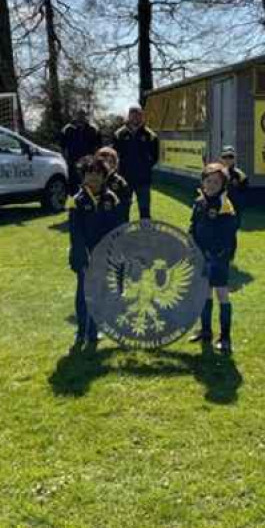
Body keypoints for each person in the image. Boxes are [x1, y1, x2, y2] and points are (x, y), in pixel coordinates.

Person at [67, 155, 121, 349]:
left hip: (104, 255)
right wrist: (81, 255)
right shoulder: (77, 201)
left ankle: (93, 331)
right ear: (83, 176)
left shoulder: (111, 198)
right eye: (89, 174)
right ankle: (81, 331)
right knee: (83, 292)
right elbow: (76, 232)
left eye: (98, 174)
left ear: (104, 176)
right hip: (84, 255)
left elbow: (116, 228)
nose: (93, 179)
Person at [188, 163, 239, 354]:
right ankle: (206, 330)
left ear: (223, 184)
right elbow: (193, 225)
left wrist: (217, 254)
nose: (211, 185)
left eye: (216, 182)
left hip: (217, 257)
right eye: (208, 181)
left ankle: (225, 337)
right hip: (201, 255)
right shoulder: (200, 201)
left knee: (221, 294)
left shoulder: (224, 205)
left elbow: (228, 235)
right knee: (204, 292)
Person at [112, 105, 160, 220]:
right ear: (129, 116)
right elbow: (114, 155)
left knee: (144, 210)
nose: (135, 117)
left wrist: (144, 166)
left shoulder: (150, 135)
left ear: (142, 117)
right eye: (133, 114)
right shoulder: (119, 134)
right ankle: (123, 234)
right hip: (124, 178)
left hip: (143, 179)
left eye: (138, 115)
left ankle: (144, 234)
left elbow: (155, 156)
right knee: (123, 208)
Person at [60, 110, 102, 196]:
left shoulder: (93, 129)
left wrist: (95, 160)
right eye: (79, 115)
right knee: (74, 188)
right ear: (75, 116)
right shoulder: (67, 129)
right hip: (73, 163)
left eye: (83, 115)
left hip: (89, 164)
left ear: (86, 116)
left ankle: (91, 205)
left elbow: (99, 147)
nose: (81, 117)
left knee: (90, 187)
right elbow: (62, 147)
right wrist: (66, 160)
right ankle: (75, 205)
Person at [96, 146, 132, 226]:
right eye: (103, 161)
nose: (106, 164)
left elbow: (125, 205)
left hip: (115, 221)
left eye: (110, 161)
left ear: (115, 164)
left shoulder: (119, 182)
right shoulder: (94, 179)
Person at [219, 146, 249, 226]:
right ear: (221, 158)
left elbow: (244, 192)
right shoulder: (218, 173)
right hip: (219, 207)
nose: (227, 159)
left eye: (230, 157)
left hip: (234, 209)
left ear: (234, 158)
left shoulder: (240, 175)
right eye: (225, 157)